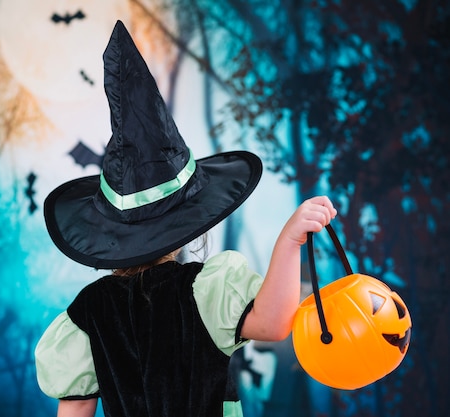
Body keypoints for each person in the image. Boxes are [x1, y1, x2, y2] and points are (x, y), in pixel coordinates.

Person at [35, 20, 337, 417]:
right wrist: (290, 242)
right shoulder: (204, 292)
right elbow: (274, 323)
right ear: (184, 227)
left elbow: (74, 413)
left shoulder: (87, 313)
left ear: (110, 231)